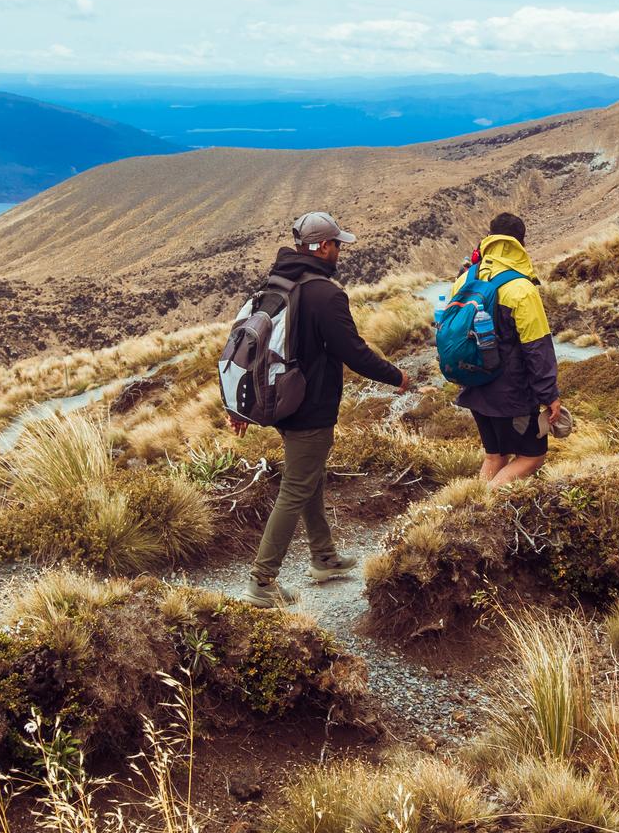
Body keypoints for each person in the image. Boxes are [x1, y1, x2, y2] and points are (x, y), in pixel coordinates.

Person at [233, 210, 413, 608]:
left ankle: (324, 556)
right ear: (323, 247)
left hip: (283, 402)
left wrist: (240, 406)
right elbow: (354, 352)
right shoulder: (325, 294)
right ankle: (262, 582)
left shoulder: (276, 284)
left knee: (308, 476)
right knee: (297, 486)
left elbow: (245, 349)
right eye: (337, 245)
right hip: (310, 407)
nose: (339, 252)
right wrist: (396, 376)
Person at [450, 212, 565, 486]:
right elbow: (537, 348)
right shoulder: (521, 288)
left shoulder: (465, 279)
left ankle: (470, 508)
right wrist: (549, 395)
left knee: (495, 456)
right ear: (521, 243)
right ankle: (482, 509)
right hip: (510, 394)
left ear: (489, 238)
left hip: (475, 384)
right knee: (532, 457)